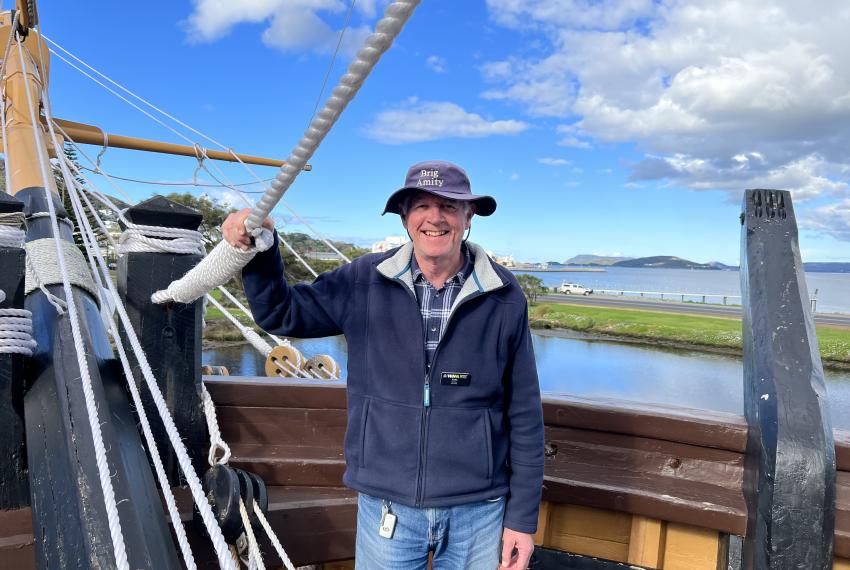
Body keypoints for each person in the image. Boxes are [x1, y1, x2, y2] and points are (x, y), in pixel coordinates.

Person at [223, 160, 544, 569]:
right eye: (421, 205)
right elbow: (282, 313)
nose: (435, 217)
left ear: (469, 217)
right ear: (405, 218)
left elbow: (525, 412)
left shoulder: (503, 294)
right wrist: (262, 249)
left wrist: (521, 521)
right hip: (386, 506)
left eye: (449, 205)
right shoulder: (364, 279)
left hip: (478, 511)